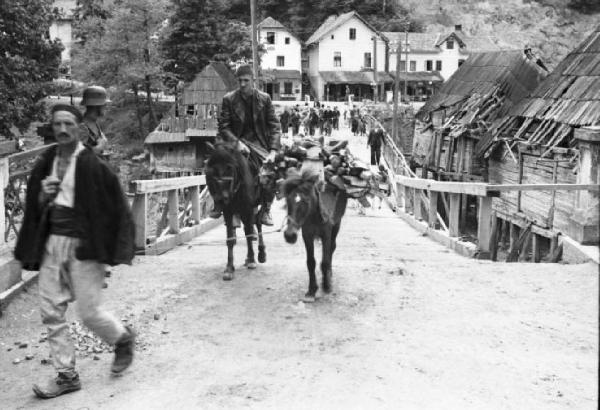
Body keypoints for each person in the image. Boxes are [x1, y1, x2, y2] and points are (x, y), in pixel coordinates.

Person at [14, 104, 136, 399]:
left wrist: (110, 246)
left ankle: (121, 339)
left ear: (79, 128)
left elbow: (116, 208)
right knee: (50, 311)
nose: (63, 130)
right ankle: (66, 375)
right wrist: (43, 196)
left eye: (69, 124)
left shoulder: (94, 166)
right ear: (52, 128)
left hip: (84, 246)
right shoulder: (46, 163)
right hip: (52, 243)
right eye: (57, 124)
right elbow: (34, 206)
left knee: (89, 313)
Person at [212, 64, 281, 226]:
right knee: (217, 166)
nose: (242, 84)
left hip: (259, 144)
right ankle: (220, 204)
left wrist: (273, 150)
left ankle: (265, 209)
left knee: (273, 170)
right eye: (240, 80)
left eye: (246, 80)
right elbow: (224, 127)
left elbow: (275, 127)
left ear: (253, 80)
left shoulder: (265, 99)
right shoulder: (229, 99)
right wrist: (237, 144)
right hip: (235, 141)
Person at [79, 86, 109, 159]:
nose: (106, 106)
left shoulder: (93, 122)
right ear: (96, 106)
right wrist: (99, 148)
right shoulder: (82, 127)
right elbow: (79, 156)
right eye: (104, 104)